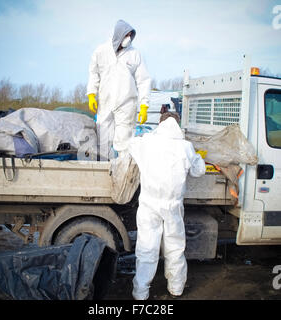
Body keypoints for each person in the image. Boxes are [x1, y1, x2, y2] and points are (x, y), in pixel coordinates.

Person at [128, 112, 206, 300]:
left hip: (149, 203)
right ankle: (176, 288)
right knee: (175, 247)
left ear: (160, 124)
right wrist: (198, 157)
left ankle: (141, 293)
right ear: (178, 125)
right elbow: (199, 171)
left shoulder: (145, 143)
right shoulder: (186, 146)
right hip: (173, 206)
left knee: (147, 247)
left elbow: (128, 144)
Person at [86, 19, 151, 160]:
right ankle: (104, 172)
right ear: (118, 35)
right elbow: (93, 73)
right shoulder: (101, 51)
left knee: (125, 143)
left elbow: (144, 81)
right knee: (103, 142)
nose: (128, 39)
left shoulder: (135, 54)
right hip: (105, 103)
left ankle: (123, 173)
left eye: (130, 35)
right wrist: (91, 94)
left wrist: (144, 105)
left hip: (126, 104)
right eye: (126, 35)